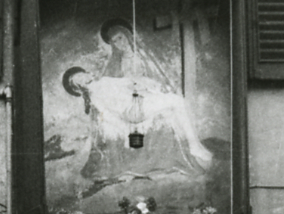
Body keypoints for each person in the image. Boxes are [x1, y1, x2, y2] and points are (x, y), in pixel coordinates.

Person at [62, 63, 213, 186]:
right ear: (79, 87)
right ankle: (194, 145)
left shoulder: (105, 80)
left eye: (81, 75)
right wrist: (125, 131)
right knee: (176, 101)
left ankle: (193, 145)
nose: (83, 79)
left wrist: (142, 85)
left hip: (138, 102)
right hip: (132, 112)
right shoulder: (94, 94)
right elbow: (106, 115)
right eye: (78, 81)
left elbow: (128, 83)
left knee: (174, 100)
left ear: (87, 72)